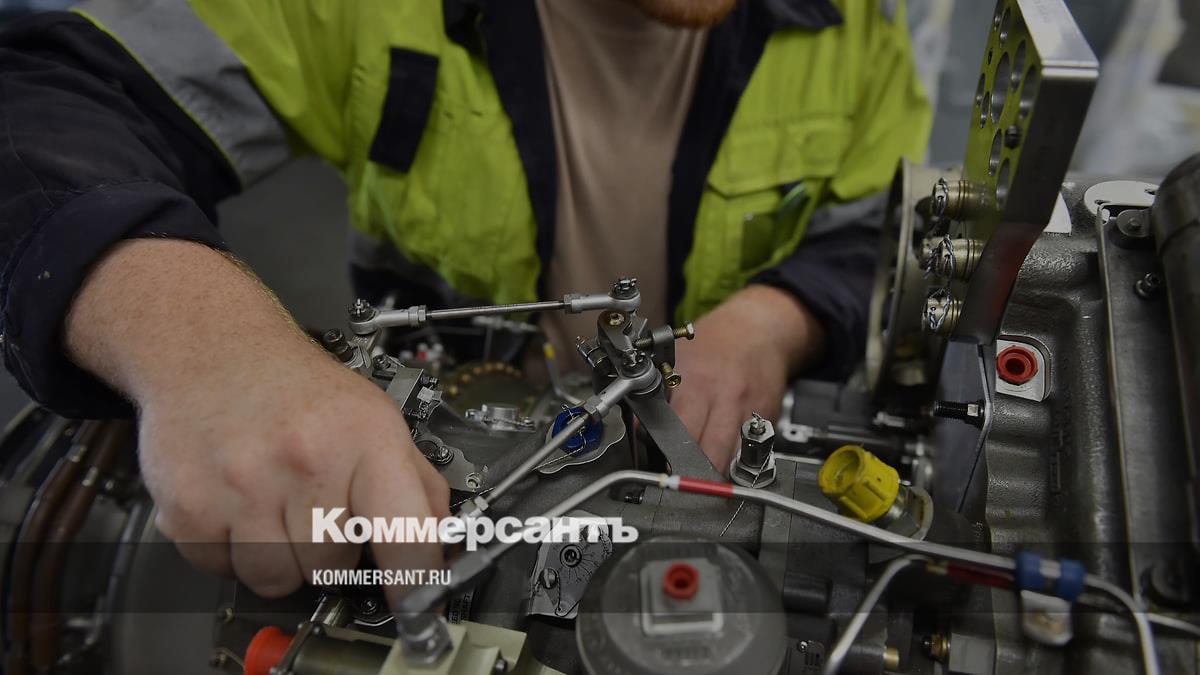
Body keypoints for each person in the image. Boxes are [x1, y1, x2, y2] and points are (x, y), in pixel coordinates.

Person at [0, 0, 929, 605]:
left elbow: (877, 236)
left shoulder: (852, 31)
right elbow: (49, 94)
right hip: (449, 447)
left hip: (693, 467)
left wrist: (770, 321)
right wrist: (207, 347)